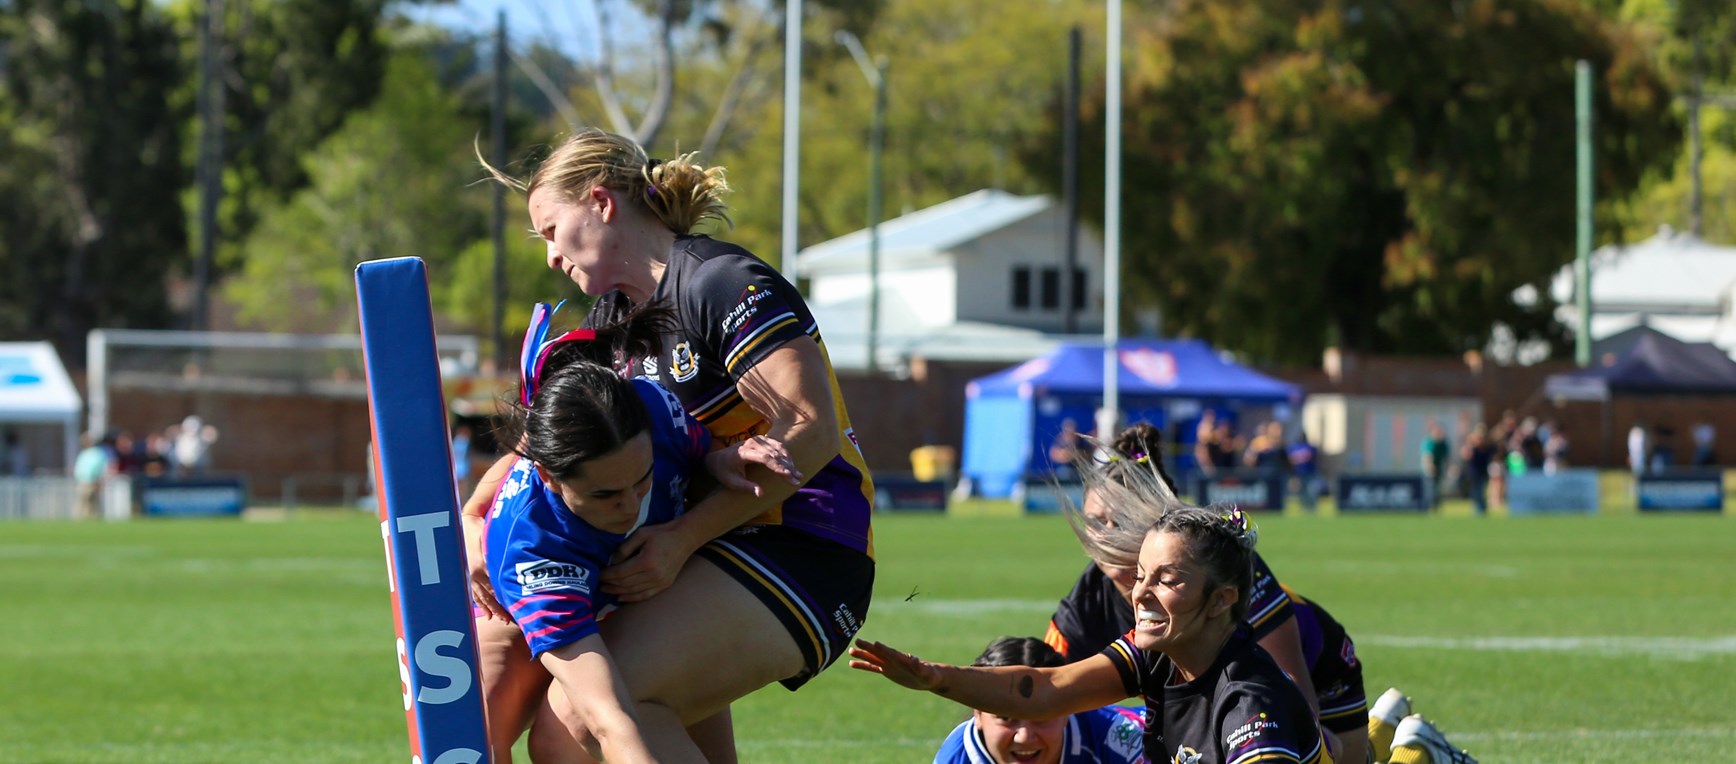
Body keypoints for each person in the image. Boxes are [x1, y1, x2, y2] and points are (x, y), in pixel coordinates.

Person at [475, 129, 877, 762]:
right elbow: (555, 442)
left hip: (804, 545)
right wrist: (476, 515)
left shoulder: (718, 282)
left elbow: (811, 429)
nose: (550, 256)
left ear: (601, 203)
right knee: (556, 711)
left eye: (551, 230)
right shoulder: (613, 320)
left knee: (574, 727)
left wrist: (684, 535)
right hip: (693, 551)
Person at [475, 302, 799, 761]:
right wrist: (471, 522)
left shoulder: (653, 409)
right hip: (529, 606)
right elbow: (609, 718)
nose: (631, 507)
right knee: (489, 733)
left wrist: (720, 461)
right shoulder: (534, 551)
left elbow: (693, 456)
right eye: (607, 495)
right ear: (549, 477)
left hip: (644, 593)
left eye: (642, 479)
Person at [854, 505, 1336, 764]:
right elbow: (1045, 689)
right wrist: (934, 677)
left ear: (1221, 599)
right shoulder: (1162, 654)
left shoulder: (1249, 702)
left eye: (1166, 580)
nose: (1140, 593)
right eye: (1140, 574)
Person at [1042, 423, 1369, 764]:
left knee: (1331, 749)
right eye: (1095, 522)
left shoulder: (1220, 564)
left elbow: (1298, 705)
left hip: (1317, 679)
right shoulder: (1085, 601)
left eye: (1122, 521)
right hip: (1212, 695)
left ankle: (1405, 745)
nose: (1107, 537)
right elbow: (1049, 690)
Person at [933, 637, 1144, 764]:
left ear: (1067, 710)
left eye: (1041, 716)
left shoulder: (1123, 742)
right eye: (1006, 718)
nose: (1024, 737)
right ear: (978, 714)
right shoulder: (959, 756)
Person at [72, 432, 112, 520]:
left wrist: (98, 481)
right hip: (82, 483)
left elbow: (100, 469)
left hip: (92, 483)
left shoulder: (97, 453)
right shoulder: (84, 453)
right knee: (82, 506)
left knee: (93, 506)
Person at [1420, 421, 1449, 508]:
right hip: (1429, 470)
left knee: (1438, 489)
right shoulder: (1429, 442)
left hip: (1439, 468)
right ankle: (1429, 506)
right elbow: (1427, 457)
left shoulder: (1443, 443)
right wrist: (1430, 467)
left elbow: (1446, 458)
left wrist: (1448, 468)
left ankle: (1436, 506)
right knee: (1430, 489)